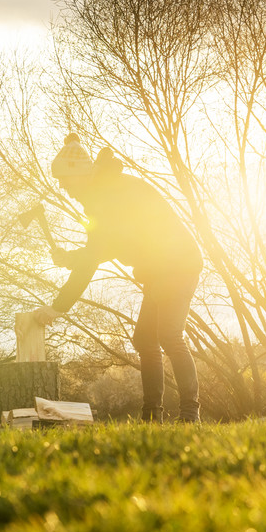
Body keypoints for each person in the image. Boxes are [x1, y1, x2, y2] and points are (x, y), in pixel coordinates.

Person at [34, 134, 202, 422]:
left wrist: (57, 307)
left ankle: (190, 414)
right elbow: (104, 247)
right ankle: (152, 415)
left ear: (80, 175)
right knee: (145, 339)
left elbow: (95, 256)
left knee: (169, 335)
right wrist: (72, 257)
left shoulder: (110, 196)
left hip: (178, 264)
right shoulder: (104, 193)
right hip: (160, 268)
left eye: (65, 180)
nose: (63, 188)